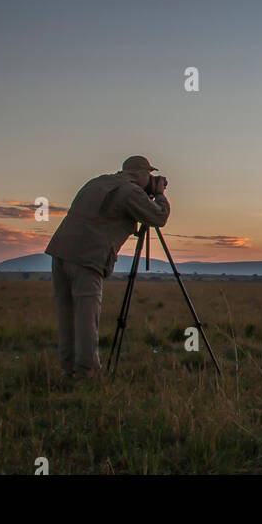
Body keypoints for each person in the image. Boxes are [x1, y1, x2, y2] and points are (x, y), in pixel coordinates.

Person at [44, 155, 170, 378]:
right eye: (149, 175)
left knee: (66, 315)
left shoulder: (97, 182)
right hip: (87, 258)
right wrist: (158, 195)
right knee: (86, 317)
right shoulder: (130, 192)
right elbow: (158, 217)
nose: (151, 179)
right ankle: (86, 373)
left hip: (60, 252)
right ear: (141, 174)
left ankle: (69, 369)